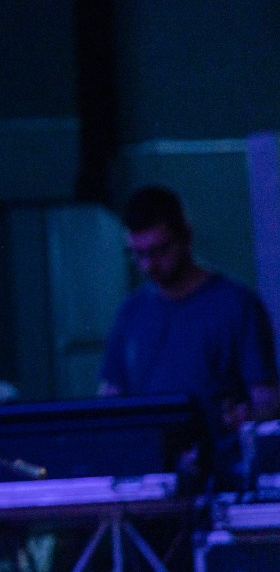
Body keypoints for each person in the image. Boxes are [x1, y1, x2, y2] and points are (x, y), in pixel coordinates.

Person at [99, 186, 280, 473]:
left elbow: (267, 401)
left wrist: (247, 417)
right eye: (138, 254)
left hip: (219, 477)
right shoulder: (131, 312)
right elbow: (111, 398)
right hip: (150, 477)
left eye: (159, 251)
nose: (149, 265)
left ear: (186, 236)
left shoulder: (236, 305)